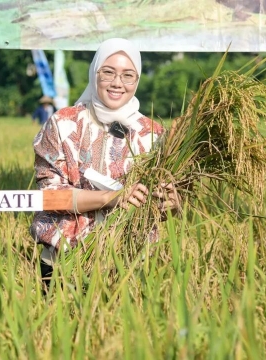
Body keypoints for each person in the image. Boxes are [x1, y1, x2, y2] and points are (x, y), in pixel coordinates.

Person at [29, 38, 180, 288]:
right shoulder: (63, 124)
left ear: (137, 79)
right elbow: (50, 196)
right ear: (94, 72)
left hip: (132, 265)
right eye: (108, 72)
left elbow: (163, 210)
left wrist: (172, 204)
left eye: (128, 75)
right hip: (64, 263)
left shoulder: (152, 134)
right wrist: (113, 197)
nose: (117, 83)